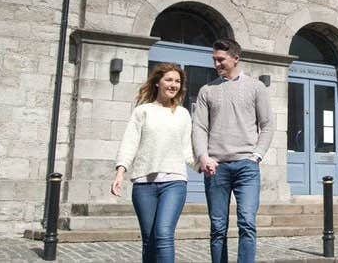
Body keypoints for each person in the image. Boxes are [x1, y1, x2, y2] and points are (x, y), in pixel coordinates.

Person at [192, 37, 275, 263]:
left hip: (246, 167)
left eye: (221, 59)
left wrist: (256, 156)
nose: (216, 64)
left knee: (247, 223)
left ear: (236, 58)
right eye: (214, 60)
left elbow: (267, 124)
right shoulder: (206, 91)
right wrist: (203, 156)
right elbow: (199, 127)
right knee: (218, 228)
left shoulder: (256, 87)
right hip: (216, 167)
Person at [111, 63, 194, 263]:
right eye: (169, 80)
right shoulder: (143, 111)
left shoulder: (182, 114)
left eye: (177, 81)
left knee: (163, 234)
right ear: (158, 82)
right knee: (149, 240)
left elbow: (187, 150)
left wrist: (204, 166)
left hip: (174, 182)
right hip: (143, 184)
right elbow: (130, 143)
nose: (173, 84)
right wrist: (120, 172)